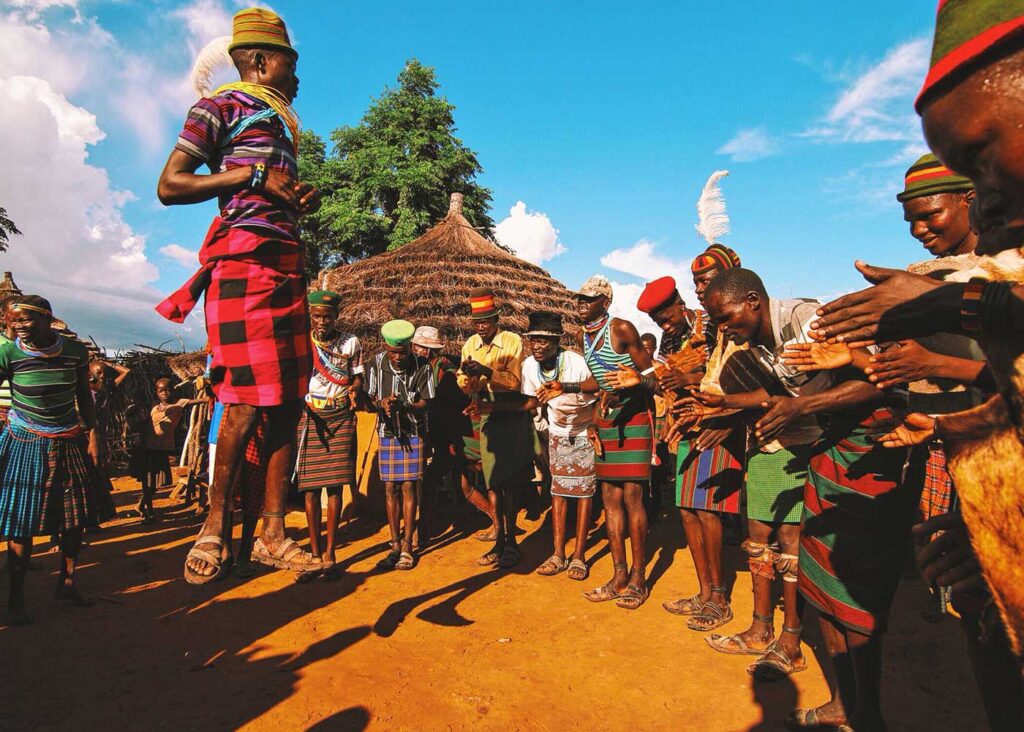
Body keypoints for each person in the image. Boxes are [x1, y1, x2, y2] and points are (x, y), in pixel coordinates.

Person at [810, 0, 1024, 666]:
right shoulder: (957, 276)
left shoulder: (973, 278)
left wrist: (948, 309)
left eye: (979, 157)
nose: (984, 193)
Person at [697, 270, 910, 728]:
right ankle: (843, 702)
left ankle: (867, 712)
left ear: (752, 300)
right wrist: (729, 405)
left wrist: (802, 407)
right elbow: (782, 393)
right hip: (826, 454)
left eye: (725, 317)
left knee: (853, 590)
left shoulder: (809, 321)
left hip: (868, 457)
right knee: (822, 586)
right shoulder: (758, 344)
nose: (722, 328)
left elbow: (880, 382)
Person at [155, 7, 322, 583]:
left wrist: (292, 197)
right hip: (242, 264)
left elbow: (268, 189)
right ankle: (214, 525)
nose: (297, 77)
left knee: (288, 402)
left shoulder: (279, 122)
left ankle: (272, 533)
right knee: (246, 400)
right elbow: (170, 186)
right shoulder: (218, 107)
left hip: (285, 264)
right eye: (290, 65)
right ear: (259, 61)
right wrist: (253, 178)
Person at [638, 274, 744, 633]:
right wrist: (652, 382)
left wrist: (687, 379)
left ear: (679, 303)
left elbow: (730, 372)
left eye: (666, 317)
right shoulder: (670, 339)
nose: (664, 325)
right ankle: (704, 592)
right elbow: (663, 382)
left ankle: (719, 598)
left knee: (707, 510)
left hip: (716, 426)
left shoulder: (711, 325)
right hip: (684, 428)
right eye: (657, 321)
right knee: (686, 509)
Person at [0, 296, 114, 624]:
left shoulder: (75, 353)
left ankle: (67, 581)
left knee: (74, 519)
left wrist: (94, 436)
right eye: (13, 321)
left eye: (25, 320)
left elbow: (83, 396)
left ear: (48, 319)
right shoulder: (8, 353)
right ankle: (16, 598)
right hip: (25, 440)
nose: (17, 326)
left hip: (69, 438)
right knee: (21, 522)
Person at [574, 275, 657, 609]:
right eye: (579, 299)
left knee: (633, 497)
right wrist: (569, 391)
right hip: (607, 421)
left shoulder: (621, 329)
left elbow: (652, 379)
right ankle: (618, 574)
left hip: (635, 420)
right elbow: (598, 383)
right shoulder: (583, 335)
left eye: (588, 299)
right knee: (609, 498)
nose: (581, 304)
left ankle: (639, 578)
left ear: (605, 302)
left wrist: (634, 382)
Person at [518, 311, 599, 580]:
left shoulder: (575, 362)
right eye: (533, 340)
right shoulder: (529, 366)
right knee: (558, 491)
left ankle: (579, 556)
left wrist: (565, 387)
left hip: (584, 429)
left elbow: (597, 388)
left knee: (584, 493)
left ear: (556, 341)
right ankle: (558, 554)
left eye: (543, 341)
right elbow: (532, 401)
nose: (536, 346)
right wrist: (493, 407)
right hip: (557, 431)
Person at [457, 288, 532, 569]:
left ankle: (511, 542)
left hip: (510, 414)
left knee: (509, 483)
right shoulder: (470, 344)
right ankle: (500, 540)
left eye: (486, 322)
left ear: (496, 319)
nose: (481, 327)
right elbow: (464, 384)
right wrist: (468, 379)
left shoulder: (512, 342)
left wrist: (486, 371)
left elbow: (514, 382)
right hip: (485, 415)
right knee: (493, 482)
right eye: (477, 323)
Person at [295, 290, 362, 581]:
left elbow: (357, 376)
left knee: (335, 487)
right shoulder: (302, 341)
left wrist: (355, 390)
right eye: (317, 317)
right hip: (309, 416)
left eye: (328, 317)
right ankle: (313, 554)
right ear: (311, 316)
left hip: (340, 417)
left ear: (337, 316)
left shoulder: (351, 342)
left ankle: (330, 555)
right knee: (310, 489)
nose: (322, 322)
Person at [367, 320, 434, 571]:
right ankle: (394, 544)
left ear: (409, 348)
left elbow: (427, 403)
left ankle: (407, 545)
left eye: (402, 353)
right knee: (390, 488)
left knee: (409, 486)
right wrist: (381, 404)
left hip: (413, 433)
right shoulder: (375, 364)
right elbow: (369, 400)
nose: (397, 357)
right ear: (386, 348)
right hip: (387, 433)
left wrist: (405, 406)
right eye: (392, 352)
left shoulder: (423, 366)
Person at [141, 377, 199, 524]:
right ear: (156, 392)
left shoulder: (180, 404)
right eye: (161, 391)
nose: (164, 393)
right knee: (149, 482)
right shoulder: (153, 406)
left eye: (167, 390)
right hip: (147, 448)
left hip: (161, 449)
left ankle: (142, 506)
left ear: (172, 390)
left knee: (156, 483)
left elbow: (200, 401)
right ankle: (148, 512)